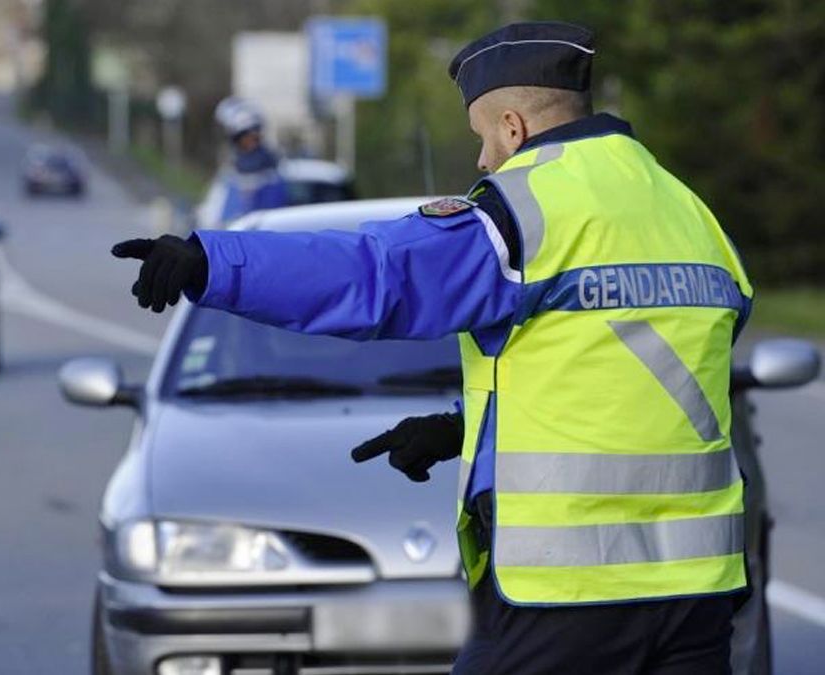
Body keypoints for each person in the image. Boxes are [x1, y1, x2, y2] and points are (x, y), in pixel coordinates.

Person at [112, 21, 751, 674]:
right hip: (697, 591)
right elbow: (627, 374)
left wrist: (212, 262)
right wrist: (463, 429)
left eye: (482, 140)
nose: (481, 162)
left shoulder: (528, 210)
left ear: (513, 127)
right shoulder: (689, 214)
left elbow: (375, 276)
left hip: (569, 593)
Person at [208, 97, 289, 225]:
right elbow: (216, 214)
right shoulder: (231, 172)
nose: (249, 143)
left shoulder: (270, 174)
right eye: (243, 138)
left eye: (253, 137)